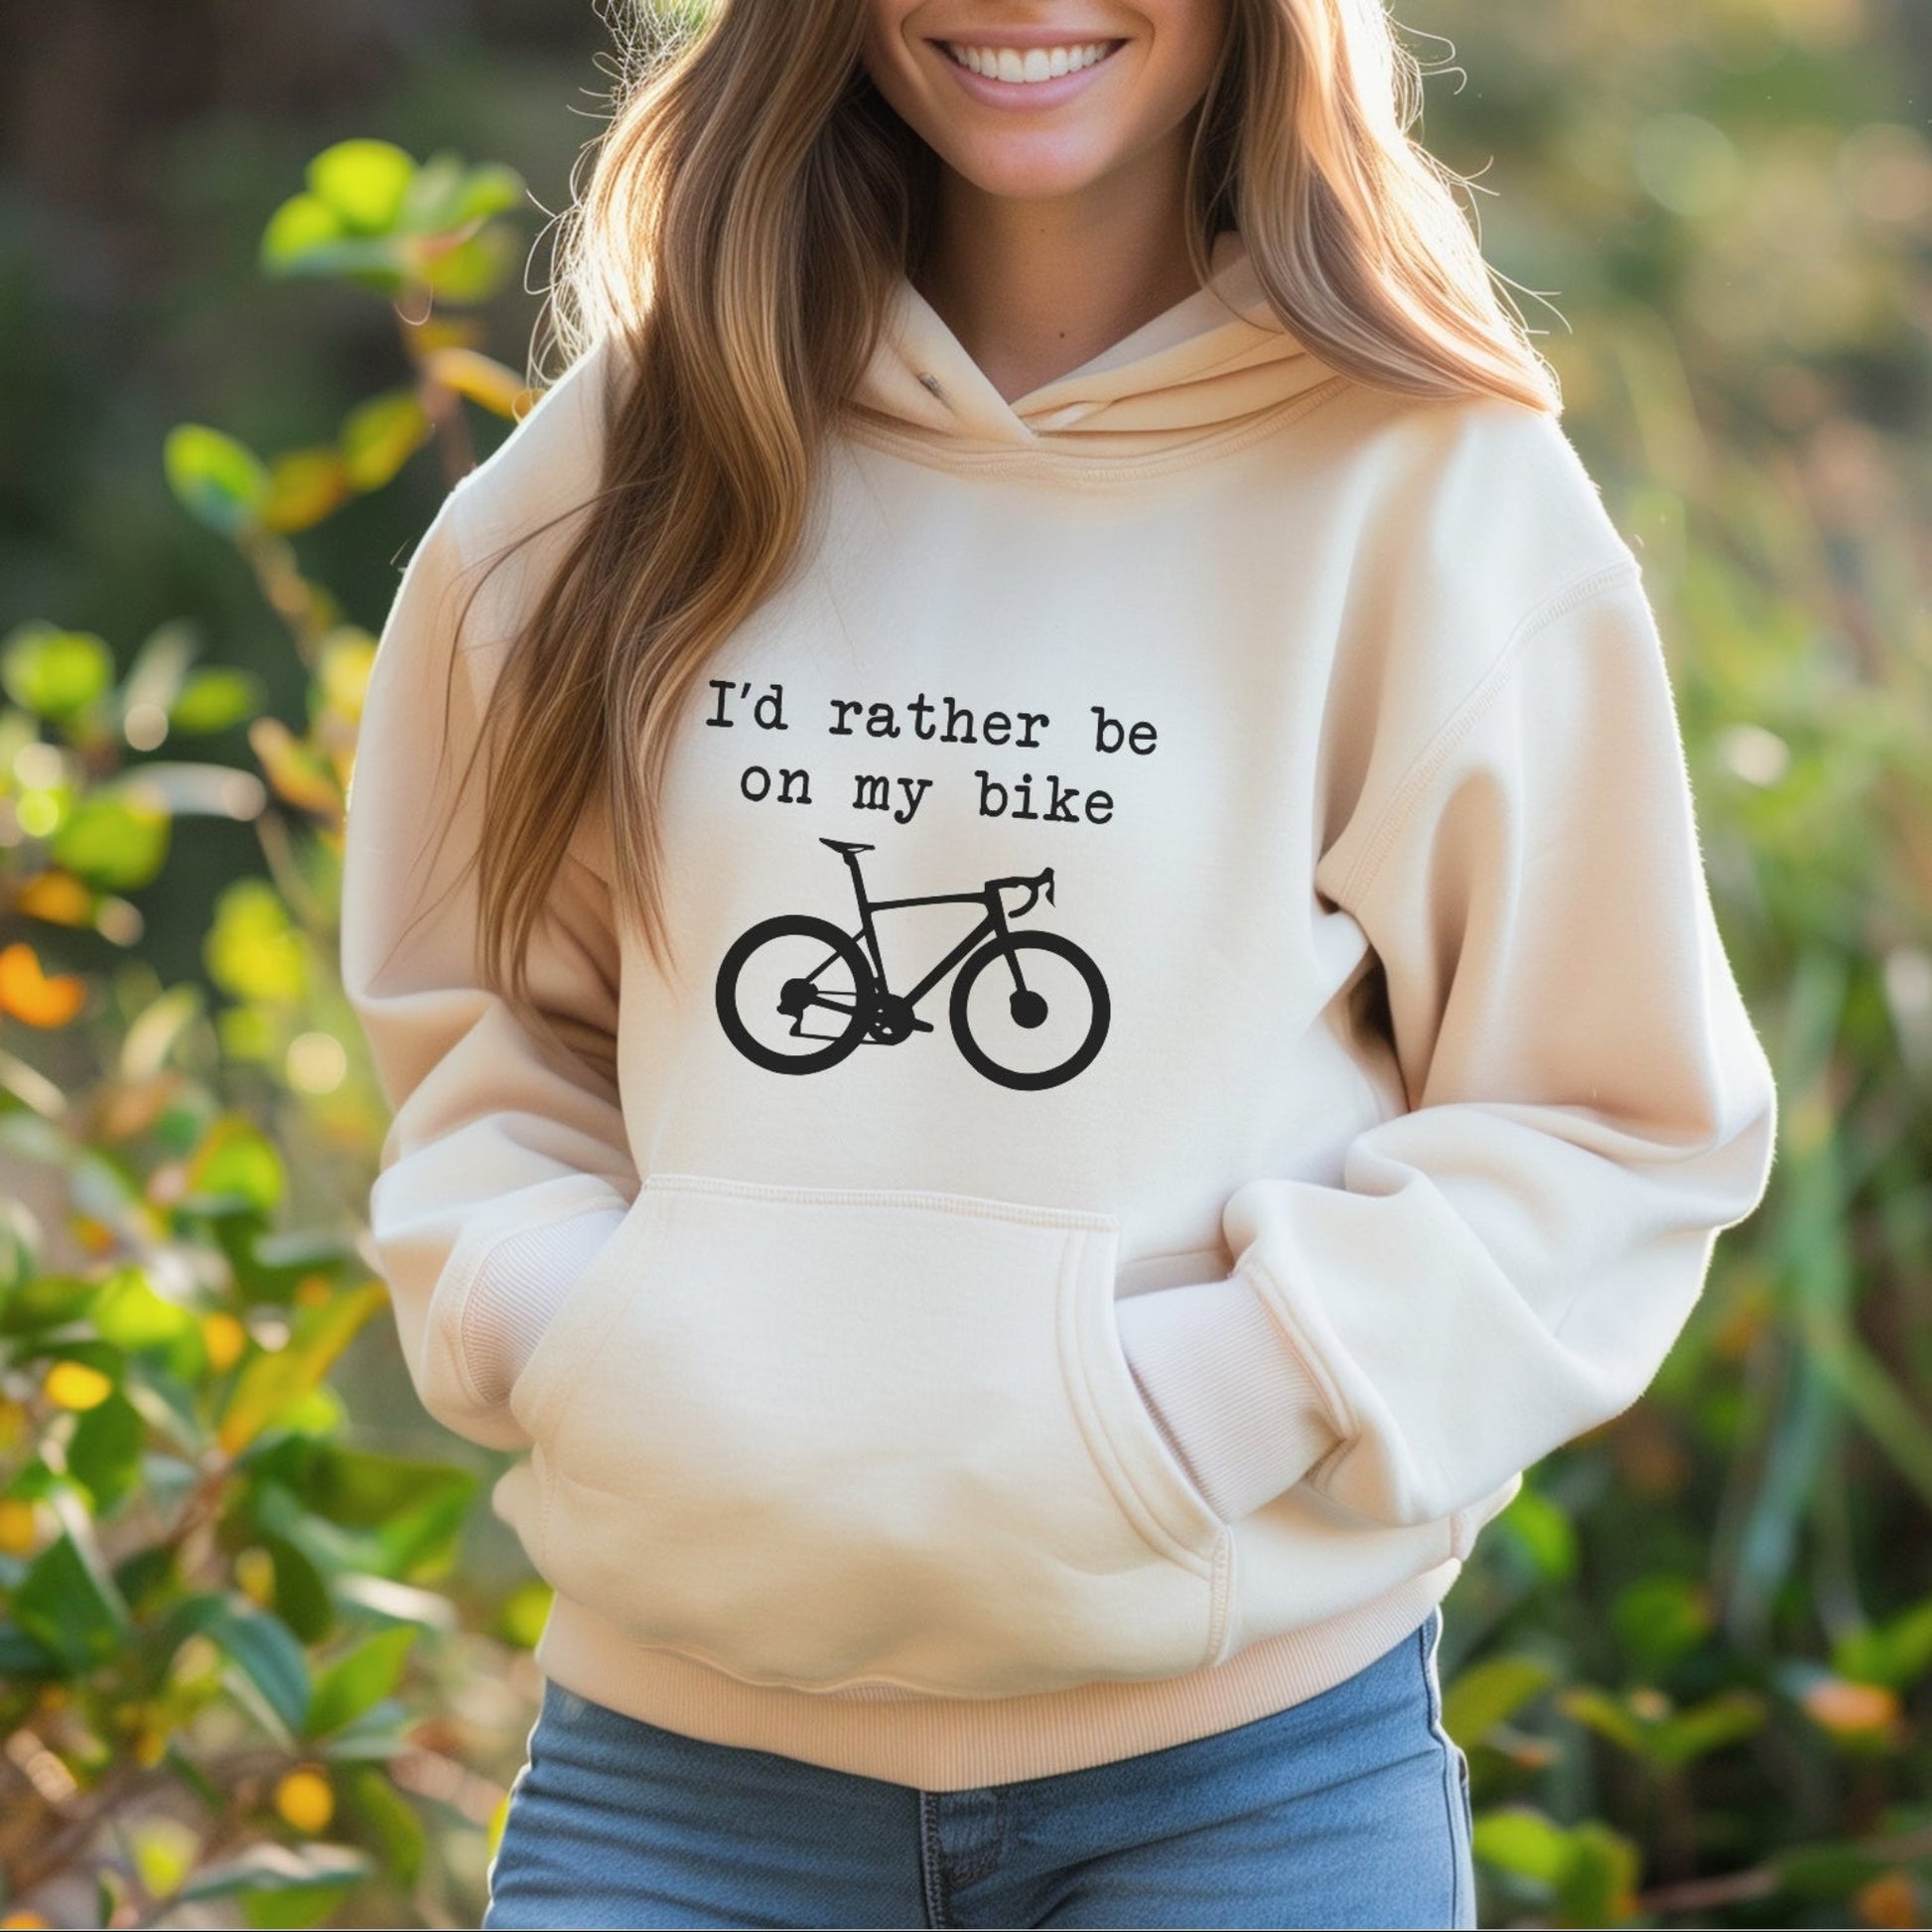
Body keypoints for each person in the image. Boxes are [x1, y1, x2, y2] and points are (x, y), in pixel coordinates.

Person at [338, 0, 1781, 1925]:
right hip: (680, 1793)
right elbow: (482, 1027)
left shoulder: (1428, 488)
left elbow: (1610, 1123)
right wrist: (576, 1321)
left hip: (1241, 1792)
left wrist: (1214, 1398)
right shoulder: (630, 460)